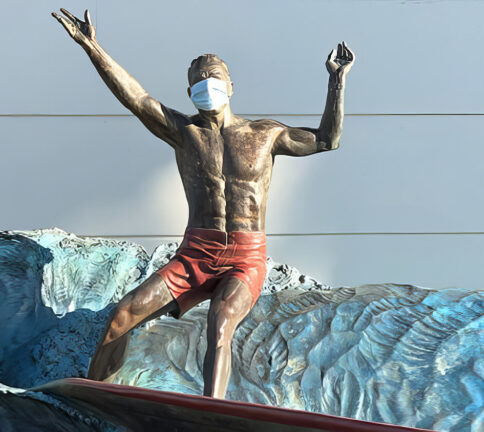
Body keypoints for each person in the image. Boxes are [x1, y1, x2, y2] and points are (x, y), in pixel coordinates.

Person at [51, 7, 354, 399]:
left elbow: (328, 140)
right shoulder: (184, 132)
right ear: (188, 91)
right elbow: (136, 98)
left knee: (221, 320)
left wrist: (336, 82)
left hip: (245, 256)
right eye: (197, 81)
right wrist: (92, 47)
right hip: (195, 253)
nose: (205, 85)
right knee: (122, 317)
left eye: (213, 78)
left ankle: (210, 410)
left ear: (231, 86)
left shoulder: (266, 135)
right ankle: (93, 400)